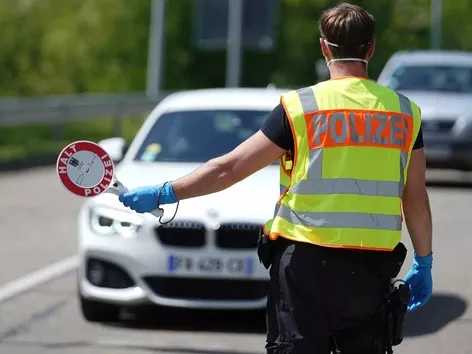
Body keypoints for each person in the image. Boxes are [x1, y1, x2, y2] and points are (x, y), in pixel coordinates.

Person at [118, 3, 433, 353]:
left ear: (324, 47)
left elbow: (230, 168)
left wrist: (166, 192)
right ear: (371, 48)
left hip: (304, 269)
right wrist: (424, 260)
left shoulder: (301, 107)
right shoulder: (404, 113)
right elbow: (415, 197)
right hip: (370, 271)